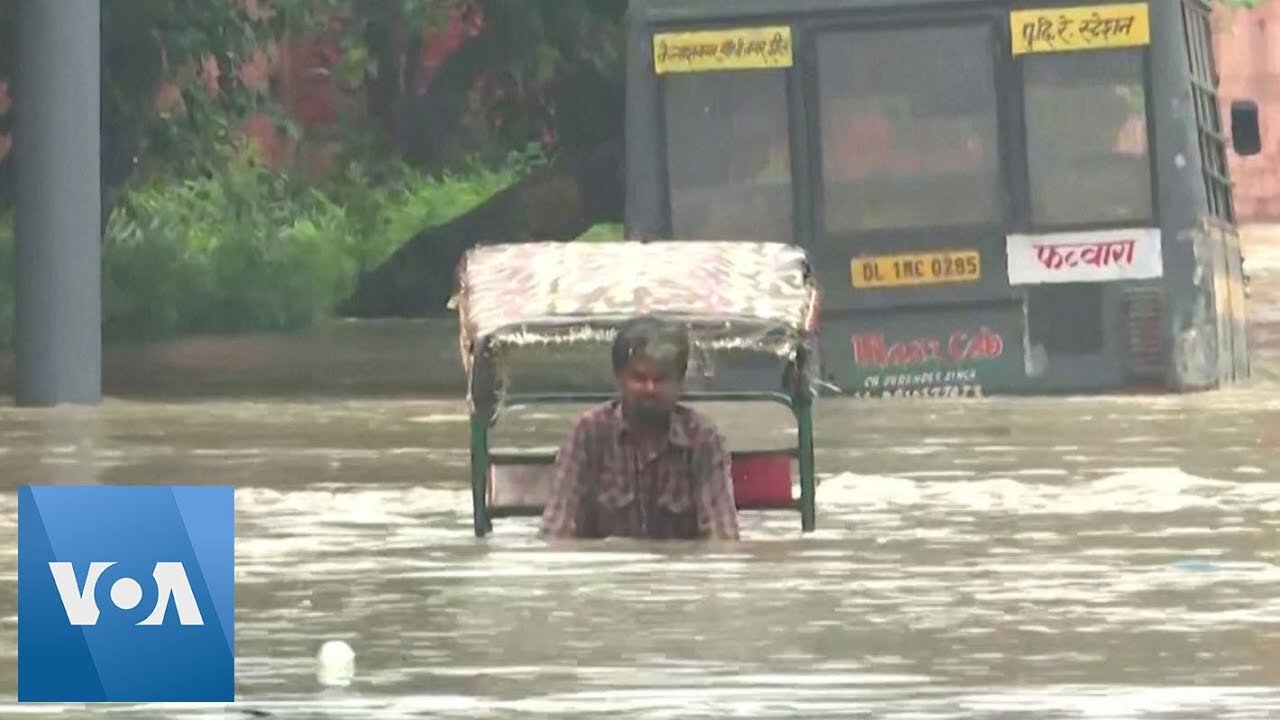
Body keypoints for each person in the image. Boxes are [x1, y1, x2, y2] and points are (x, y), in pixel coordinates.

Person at [539, 315, 740, 541]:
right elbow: (558, 528)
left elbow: (722, 536)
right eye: (639, 378)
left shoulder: (701, 437)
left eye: (661, 379)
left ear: (680, 382)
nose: (650, 389)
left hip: (680, 573)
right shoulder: (590, 432)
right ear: (619, 379)